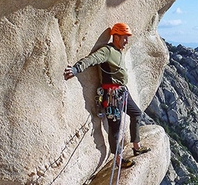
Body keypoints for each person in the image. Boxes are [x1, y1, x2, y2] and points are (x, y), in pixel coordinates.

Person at [64, 23, 150, 168]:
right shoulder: (107, 51)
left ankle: (137, 147)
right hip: (112, 96)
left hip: (122, 92)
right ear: (115, 37)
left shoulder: (118, 51)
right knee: (115, 127)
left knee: (136, 113)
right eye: (124, 38)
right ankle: (118, 160)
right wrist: (76, 69)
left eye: (127, 38)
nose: (126, 41)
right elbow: (92, 59)